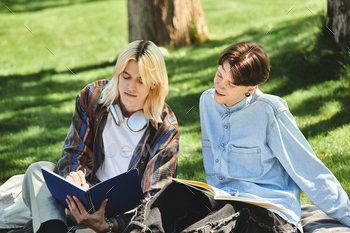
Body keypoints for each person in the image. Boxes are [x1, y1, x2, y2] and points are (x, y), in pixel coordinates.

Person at [125, 41, 350, 233]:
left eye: (231, 83)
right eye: (219, 75)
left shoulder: (270, 111)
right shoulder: (208, 102)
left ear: (251, 87)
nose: (219, 86)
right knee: (173, 193)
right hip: (223, 203)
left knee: (230, 211)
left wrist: (347, 215)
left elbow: (310, 171)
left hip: (270, 216)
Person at [10, 40, 180, 233]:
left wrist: (108, 225)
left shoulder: (165, 129)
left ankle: (57, 226)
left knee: (85, 231)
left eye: (140, 81)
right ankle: (54, 227)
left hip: (120, 217)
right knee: (37, 171)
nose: (130, 87)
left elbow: (155, 202)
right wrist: (74, 175)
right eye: (126, 77)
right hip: (81, 199)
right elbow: (73, 152)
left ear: (154, 86)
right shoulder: (93, 98)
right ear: (117, 74)